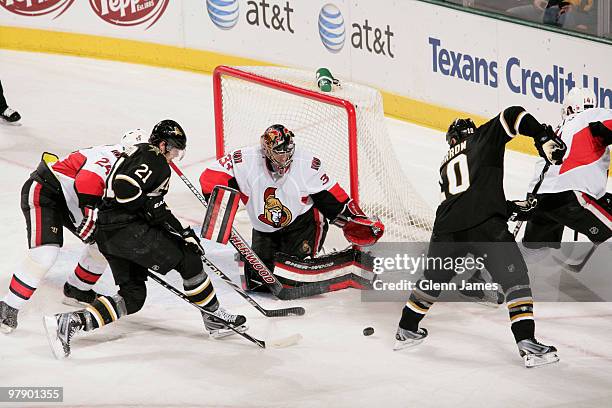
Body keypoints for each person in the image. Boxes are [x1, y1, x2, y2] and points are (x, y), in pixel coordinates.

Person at [43, 120, 247, 359]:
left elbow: (149, 201)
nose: (174, 156)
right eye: (173, 149)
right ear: (162, 144)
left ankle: (70, 323)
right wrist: (158, 217)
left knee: (133, 296)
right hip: (128, 230)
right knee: (189, 259)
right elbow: (126, 188)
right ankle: (214, 317)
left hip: (109, 233)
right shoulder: (152, 156)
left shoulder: (140, 155)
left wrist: (180, 230)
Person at [394, 107, 567, 368]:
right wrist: (542, 136)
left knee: (432, 280)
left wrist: (510, 208)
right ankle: (528, 343)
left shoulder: (445, 164)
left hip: (447, 229)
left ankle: (406, 329)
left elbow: (468, 197)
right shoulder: (481, 138)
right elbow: (513, 114)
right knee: (515, 279)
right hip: (484, 226)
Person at [199, 124, 384, 292]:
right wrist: (221, 208)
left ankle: (352, 263)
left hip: (303, 223)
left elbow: (332, 198)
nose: (285, 157)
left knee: (293, 279)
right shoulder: (244, 160)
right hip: (266, 230)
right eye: (279, 152)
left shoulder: (306, 163)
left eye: (287, 152)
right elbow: (210, 177)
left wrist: (356, 220)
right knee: (257, 281)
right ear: (266, 151)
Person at [0, 130, 144, 334]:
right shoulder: (113, 158)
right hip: (46, 193)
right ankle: (8, 306)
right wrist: (90, 214)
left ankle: (77, 289)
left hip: (71, 201)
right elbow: (87, 181)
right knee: (45, 255)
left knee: (102, 244)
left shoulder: (129, 164)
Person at [522, 87, 611, 256]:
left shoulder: (557, 130)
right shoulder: (591, 116)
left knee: (537, 253)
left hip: (538, 198)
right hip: (570, 197)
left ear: (569, 108)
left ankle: (529, 276)